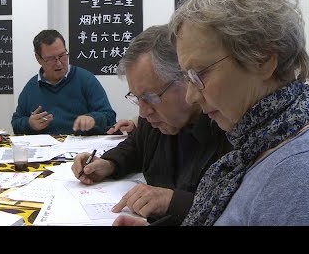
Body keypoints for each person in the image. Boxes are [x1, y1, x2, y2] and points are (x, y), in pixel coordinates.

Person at [115, 0, 309, 226]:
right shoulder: (262, 146)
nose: (191, 96)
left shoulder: (302, 174)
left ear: (262, 59)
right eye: (187, 78)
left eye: (199, 74)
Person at [72, 25, 231, 225]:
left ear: (186, 79)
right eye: (137, 98)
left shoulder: (226, 124)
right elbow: (136, 148)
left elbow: (238, 209)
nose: (143, 111)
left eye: (150, 96)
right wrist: (108, 164)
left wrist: (172, 202)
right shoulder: (154, 119)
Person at [11, 29, 116, 135]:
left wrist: (93, 119)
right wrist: (29, 124)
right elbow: (16, 123)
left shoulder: (86, 80)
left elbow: (110, 117)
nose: (59, 64)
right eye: (51, 59)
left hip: (81, 148)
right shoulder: (31, 88)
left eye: (62, 56)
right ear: (38, 58)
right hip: (46, 149)